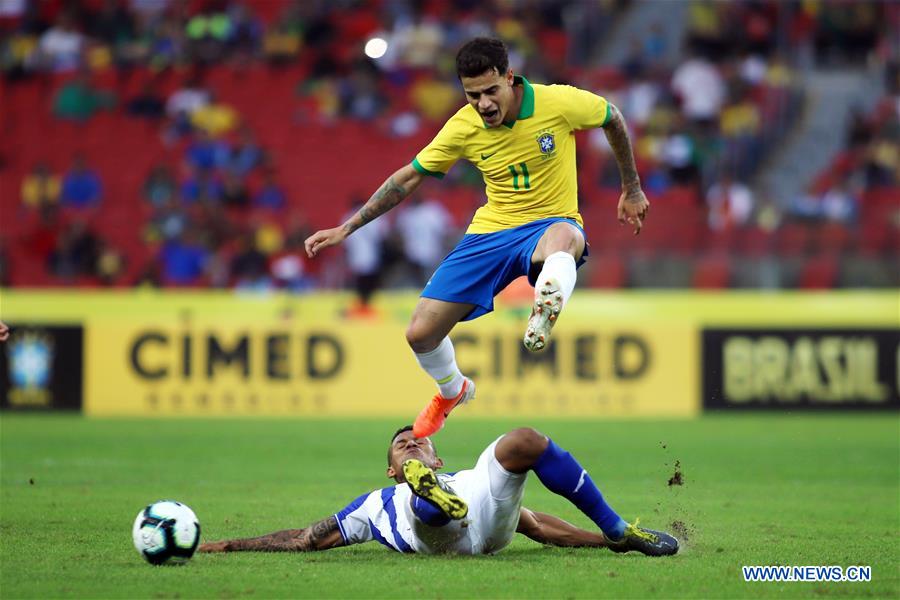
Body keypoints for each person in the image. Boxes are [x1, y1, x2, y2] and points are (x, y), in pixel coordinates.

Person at [304, 38, 649, 438]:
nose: (483, 104)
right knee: (420, 333)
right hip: (491, 231)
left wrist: (632, 187)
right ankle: (452, 390)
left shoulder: (558, 102)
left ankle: (545, 306)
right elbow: (409, 178)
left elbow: (612, 117)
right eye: (472, 95)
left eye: (490, 91)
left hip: (549, 223)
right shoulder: (463, 126)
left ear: (509, 77)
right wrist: (347, 227)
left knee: (565, 236)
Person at [199, 426, 678, 557]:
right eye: (401, 446)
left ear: (437, 459)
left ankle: (618, 528)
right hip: (438, 534)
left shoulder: (469, 478)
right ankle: (431, 502)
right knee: (421, 508)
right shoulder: (375, 505)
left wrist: (606, 544)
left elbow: (537, 526)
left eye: (419, 442)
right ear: (391, 470)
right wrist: (229, 545)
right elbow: (308, 537)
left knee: (524, 441)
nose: (412, 443)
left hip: (485, 522)